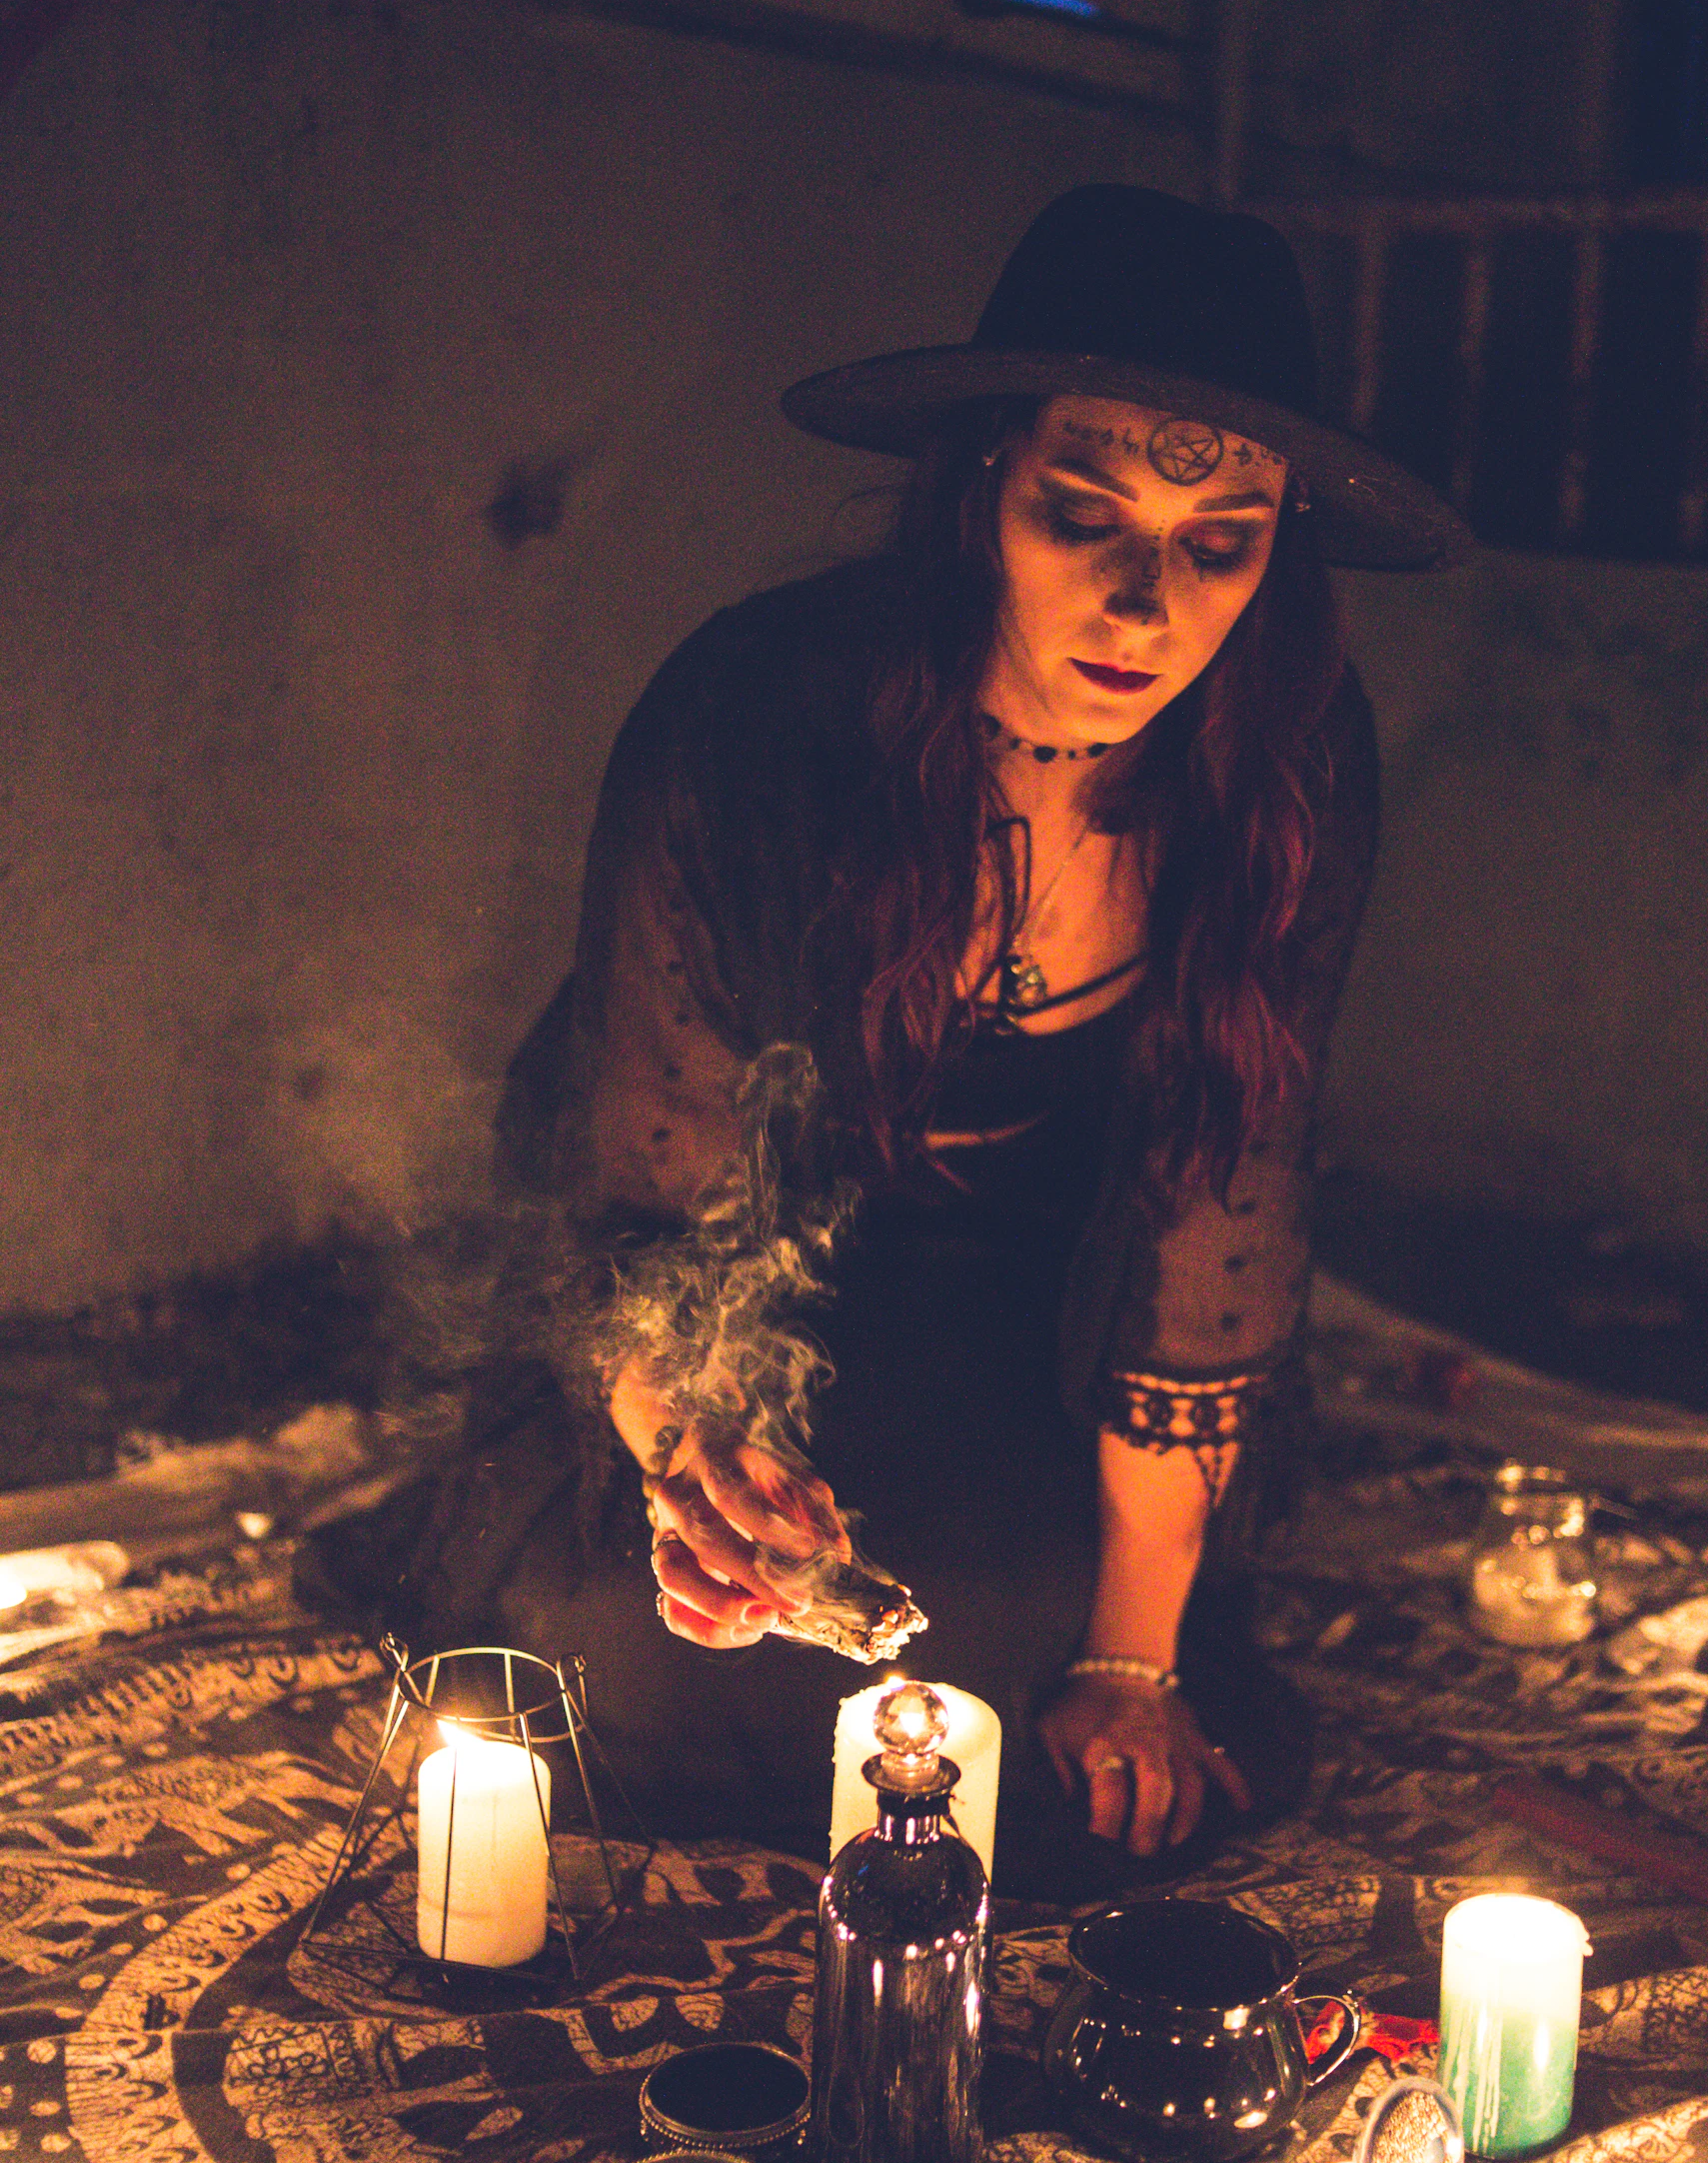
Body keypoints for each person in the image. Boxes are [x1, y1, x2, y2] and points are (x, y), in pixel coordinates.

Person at [349, 185, 1467, 1899]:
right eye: (1080, 514)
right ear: (980, 496)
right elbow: (653, 1188)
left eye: (1217, 541)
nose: (1143, 603)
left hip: (1055, 1279)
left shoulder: (1292, 763)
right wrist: (698, 1464)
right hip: (749, 1268)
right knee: (640, 1655)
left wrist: (1137, 1656)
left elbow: (1224, 1199)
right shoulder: (756, 716)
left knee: (1027, 1670)